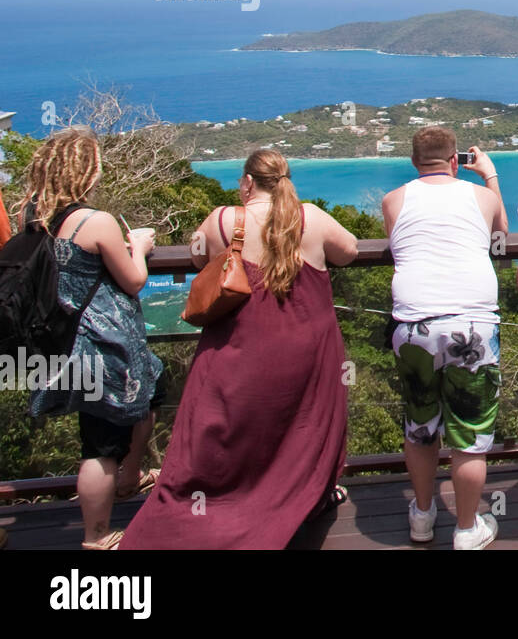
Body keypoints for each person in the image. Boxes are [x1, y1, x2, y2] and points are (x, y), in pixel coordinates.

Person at [121, 149, 357, 549]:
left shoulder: (224, 220)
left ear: (248, 182)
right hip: (308, 344)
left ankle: (224, 502)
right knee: (306, 419)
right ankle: (307, 493)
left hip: (241, 343)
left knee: (229, 423)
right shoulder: (310, 217)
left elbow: (198, 257)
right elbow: (349, 251)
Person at [17, 128, 163, 550]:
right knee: (100, 443)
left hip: (63, 341)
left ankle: (130, 477)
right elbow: (134, 280)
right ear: (86, 169)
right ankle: (97, 536)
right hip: (103, 344)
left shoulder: (34, 217)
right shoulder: (93, 221)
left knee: (152, 389)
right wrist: (139, 245)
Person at [382, 127, 507, 550]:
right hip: (471, 323)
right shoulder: (481, 197)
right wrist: (489, 176)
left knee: (420, 424)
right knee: (470, 434)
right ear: (456, 160)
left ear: (415, 162)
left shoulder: (393, 200)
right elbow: (500, 234)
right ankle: (468, 528)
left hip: (414, 324)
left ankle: (421, 515)